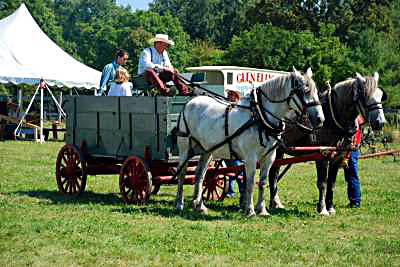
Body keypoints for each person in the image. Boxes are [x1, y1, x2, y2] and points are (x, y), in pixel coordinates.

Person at [224, 87, 245, 198]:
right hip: (224, 144)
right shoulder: (225, 108)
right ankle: (231, 191)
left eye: (232, 95)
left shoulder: (239, 110)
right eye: (229, 95)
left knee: (236, 169)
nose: (230, 97)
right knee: (231, 170)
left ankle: (240, 191)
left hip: (235, 146)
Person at [344, 115, 364, 208]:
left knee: (352, 175)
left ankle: (355, 201)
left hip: (352, 149)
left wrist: (353, 146)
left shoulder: (355, 118)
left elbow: (356, 133)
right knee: (349, 176)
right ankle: (353, 200)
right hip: (353, 148)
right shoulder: (358, 118)